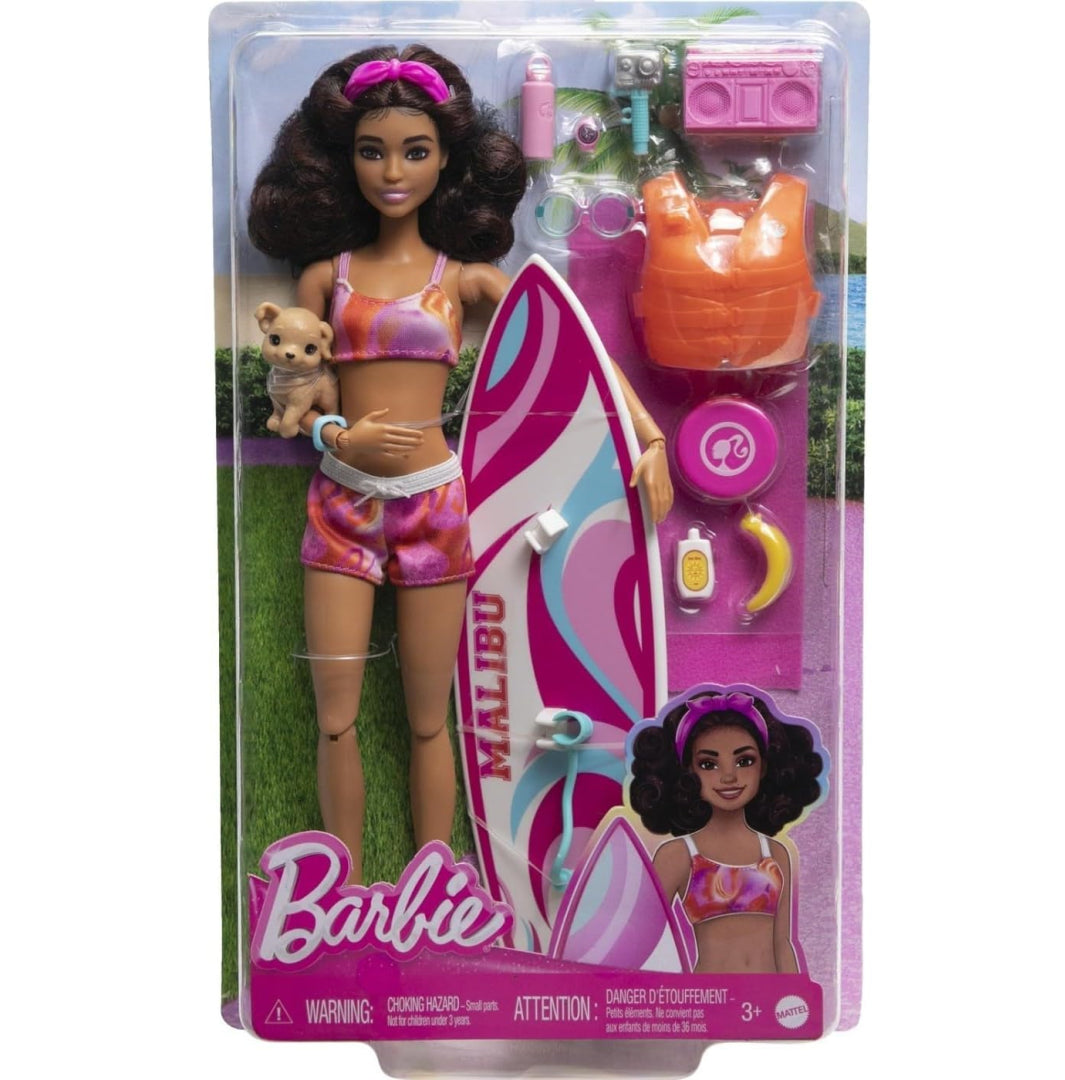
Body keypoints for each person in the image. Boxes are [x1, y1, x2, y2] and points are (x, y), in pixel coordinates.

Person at [249, 44, 673, 884]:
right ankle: (343, 895)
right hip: (342, 500)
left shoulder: (466, 280)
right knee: (334, 719)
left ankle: (432, 887)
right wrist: (335, 436)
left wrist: (649, 436)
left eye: (414, 151)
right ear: (343, 160)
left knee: (430, 718)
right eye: (372, 151)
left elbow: (571, 341)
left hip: (434, 505)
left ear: (447, 158)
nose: (392, 172)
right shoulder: (325, 278)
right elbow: (297, 385)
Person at [630, 687, 823, 973]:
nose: (729, 776)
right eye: (708, 764)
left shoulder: (775, 853)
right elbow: (643, 942)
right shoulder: (678, 855)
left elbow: (784, 943)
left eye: (745, 761)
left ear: (764, 766)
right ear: (688, 773)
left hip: (768, 994)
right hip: (709, 995)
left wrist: (797, 995)